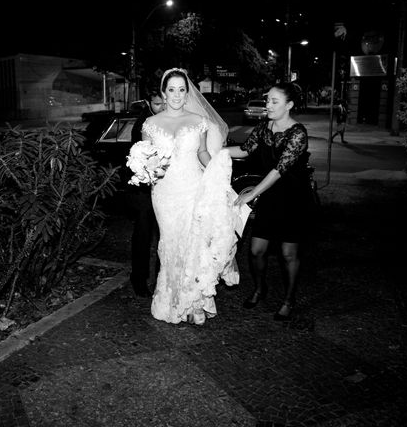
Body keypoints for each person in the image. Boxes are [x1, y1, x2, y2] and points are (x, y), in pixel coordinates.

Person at [141, 68, 241, 325]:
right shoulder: (150, 125)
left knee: (192, 244)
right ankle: (172, 299)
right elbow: (147, 157)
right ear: (163, 93)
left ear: (187, 94)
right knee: (170, 243)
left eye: (181, 89)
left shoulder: (199, 121)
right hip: (164, 193)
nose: (176, 94)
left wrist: (219, 174)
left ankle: (194, 302)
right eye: (171, 89)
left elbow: (203, 154)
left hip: (191, 188)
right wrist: (146, 170)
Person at [225, 82, 313, 321]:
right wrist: (212, 150)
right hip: (271, 196)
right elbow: (244, 150)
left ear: (289, 105)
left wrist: (252, 194)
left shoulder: (298, 133)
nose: (268, 105)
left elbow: (278, 170)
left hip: (294, 198)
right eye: (268, 101)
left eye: (275, 101)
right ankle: (260, 288)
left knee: (288, 254)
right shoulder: (264, 127)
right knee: (256, 250)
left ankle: (289, 299)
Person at [128, 91, 165, 297]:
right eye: (157, 104)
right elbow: (139, 155)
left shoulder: (168, 118)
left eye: (163, 103)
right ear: (149, 103)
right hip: (144, 189)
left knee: (164, 235)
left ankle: (162, 277)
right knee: (143, 235)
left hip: (166, 186)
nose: (161, 107)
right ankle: (139, 278)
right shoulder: (145, 123)